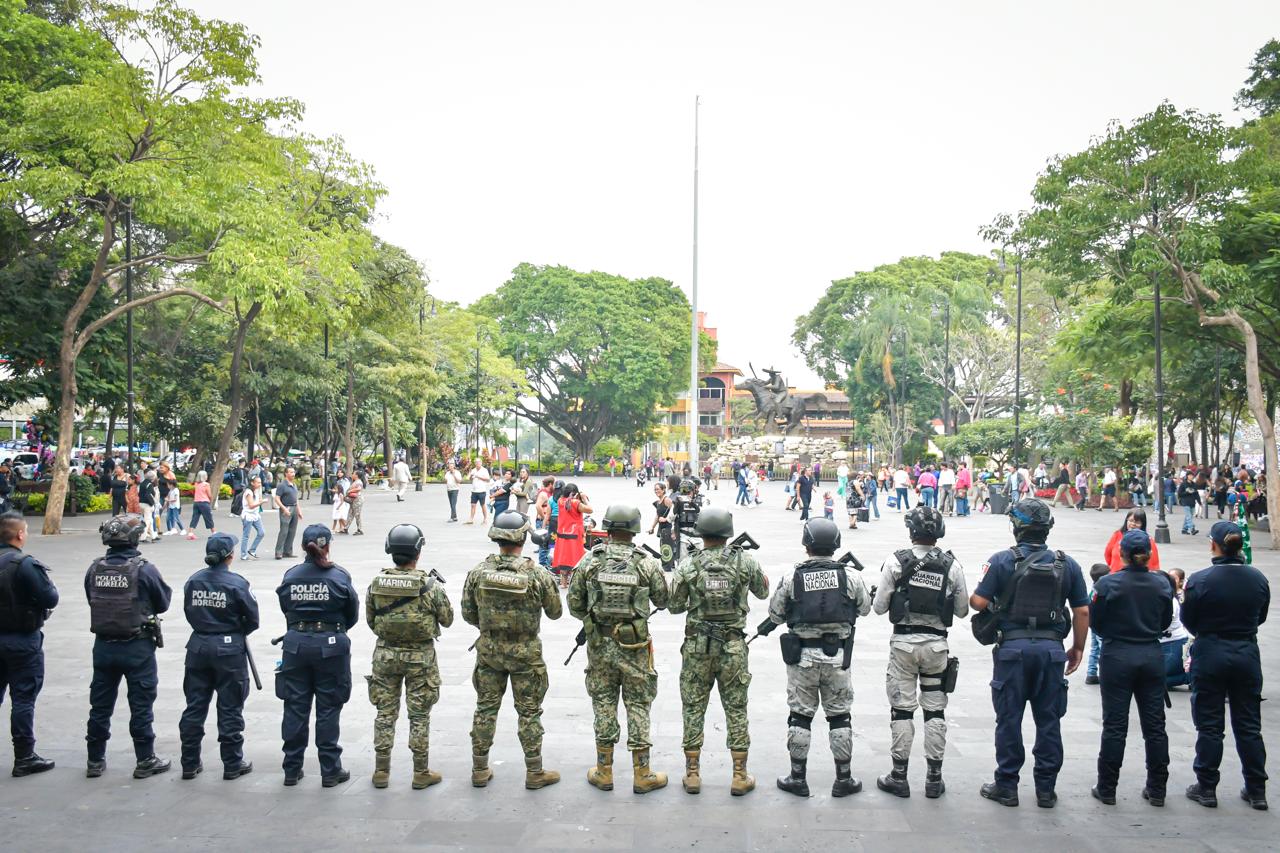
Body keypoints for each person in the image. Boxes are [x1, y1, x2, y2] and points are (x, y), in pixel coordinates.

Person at [970, 498, 1089, 808]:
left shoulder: (1000, 561)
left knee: (1009, 719)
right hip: (1051, 652)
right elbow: (1082, 611)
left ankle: (1007, 786)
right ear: (1047, 529)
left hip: (1012, 651)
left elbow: (977, 604)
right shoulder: (1068, 563)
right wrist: (1077, 648)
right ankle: (1046, 790)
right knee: (1049, 720)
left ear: (1016, 528)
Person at [763, 518, 870, 798]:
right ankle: (843, 778)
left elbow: (775, 613)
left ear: (806, 544)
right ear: (836, 544)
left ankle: (797, 778)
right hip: (838, 658)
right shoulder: (851, 576)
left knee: (800, 716)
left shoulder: (792, 576)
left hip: (803, 657)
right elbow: (866, 608)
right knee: (840, 716)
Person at [568, 504, 670, 794]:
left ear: (608, 528)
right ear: (634, 529)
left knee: (603, 702)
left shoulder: (590, 561)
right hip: (634, 645)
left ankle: (603, 770)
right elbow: (664, 600)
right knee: (638, 704)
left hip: (600, 646)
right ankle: (642, 773)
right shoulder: (645, 563)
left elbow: (574, 605)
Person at [669, 507, 769, 796]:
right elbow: (763, 592)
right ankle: (739, 775)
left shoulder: (689, 564)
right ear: (727, 533)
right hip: (733, 647)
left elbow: (674, 606)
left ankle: (692, 774)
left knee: (693, 707)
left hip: (697, 648)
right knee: (736, 708)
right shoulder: (745, 561)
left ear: (701, 533)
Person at [869, 505, 968, 799]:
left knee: (902, 710)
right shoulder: (952, 565)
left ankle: (899, 777)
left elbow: (878, 608)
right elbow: (962, 610)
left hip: (903, 646)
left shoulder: (896, 562)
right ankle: (934, 779)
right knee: (935, 710)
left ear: (911, 531)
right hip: (937, 646)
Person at [462, 511, 563, 790]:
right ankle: (534, 771)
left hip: (489, 651)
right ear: (523, 537)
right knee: (529, 711)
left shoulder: (479, 572)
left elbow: (468, 613)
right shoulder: (537, 573)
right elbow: (555, 612)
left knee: (485, 708)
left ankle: (480, 769)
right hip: (525, 653)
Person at [1181, 521, 1270, 810]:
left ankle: (1207, 786)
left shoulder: (1200, 580)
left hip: (1210, 650)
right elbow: (1261, 616)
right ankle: (1257, 789)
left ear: (1214, 545)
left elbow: (1188, 620)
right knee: (1248, 724)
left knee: (1209, 724)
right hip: (1245, 650)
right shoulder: (1257, 578)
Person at [1088, 529, 1174, 806]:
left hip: (1117, 654)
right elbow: (1165, 621)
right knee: (1155, 726)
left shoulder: (1107, 585)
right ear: (1148, 555)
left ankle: (1107, 787)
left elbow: (1096, 623)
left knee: (1114, 724)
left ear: (1121, 553)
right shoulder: (1162, 584)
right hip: (1150, 652)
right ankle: (1158, 788)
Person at [84, 514, 173, 779]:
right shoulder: (144, 569)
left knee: (99, 704)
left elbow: (92, 599)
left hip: (103, 646)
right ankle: (145, 759)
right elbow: (163, 602)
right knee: (141, 704)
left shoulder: (95, 568)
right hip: (137, 646)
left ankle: (94, 759)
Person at [366, 523, 453, 789]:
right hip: (421, 658)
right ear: (418, 552)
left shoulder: (377, 583)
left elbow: (371, 620)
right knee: (419, 716)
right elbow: (447, 619)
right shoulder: (429, 586)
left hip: (385, 655)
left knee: (384, 713)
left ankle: (381, 771)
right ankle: (420, 772)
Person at [275, 524, 360, 787]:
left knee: (295, 707)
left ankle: (291, 768)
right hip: (331, 645)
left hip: (296, 645)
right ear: (328, 545)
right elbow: (352, 614)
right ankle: (330, 770)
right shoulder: (338, 576)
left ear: (303, 547)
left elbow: (285, 608)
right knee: (328, 708)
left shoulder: (291, 575)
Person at [179, 532, 260, 781]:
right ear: (230, 556)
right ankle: (232, 763)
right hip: (228, 649)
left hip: (199, 646)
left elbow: (189, 611)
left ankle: (189, 763)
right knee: (230, 707)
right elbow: (253, 619)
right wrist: (233, 633)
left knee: (195, 705)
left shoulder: (193, 581)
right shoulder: (237, 583)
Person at [0, 512, 59, 776]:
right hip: (21, 639)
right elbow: (49, 597)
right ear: (20, 534)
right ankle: (24, 756)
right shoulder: (24, 564)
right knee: (23, 697)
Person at [552, 484, 591, 589]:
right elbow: (590, 510)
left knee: (564, 559)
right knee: (576, 559)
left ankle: (563, 583)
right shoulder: (576, 503)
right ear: (575, 493)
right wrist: (584, 498)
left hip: (562, 534)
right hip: (574, 535)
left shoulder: (560, 501)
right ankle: (575, 583)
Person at [1161, 569, 1190, 689]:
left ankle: (1192, 677)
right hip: (1160, 644)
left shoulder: (1171, 600)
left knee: (1153, 682)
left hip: (1172, 643)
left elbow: (1163, 624)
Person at [1084, 563, 1109, 685]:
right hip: (1101, 625)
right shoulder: (1102, 591)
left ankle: (1091, 673)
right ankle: (1105, 673)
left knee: (1094, 648)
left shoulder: (1094, 589)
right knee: (1103, 648)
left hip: (1092, 623)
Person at [274, 467, 301, 560]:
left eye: (294, 472)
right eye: (291, 472)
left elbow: (296, 498)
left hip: (294, 508)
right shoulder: (282, 485)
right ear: (286, 474)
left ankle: (288, 551)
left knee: (292, 531)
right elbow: (277, 498)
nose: (293, 474)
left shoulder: (294, 485)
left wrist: (299, 510)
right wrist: (284, 509)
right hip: (286, 507)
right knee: (284, 531)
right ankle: (278, 552)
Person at [649, 482, 677, 572]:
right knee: (664, 547)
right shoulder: (658, 502)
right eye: (655, 489)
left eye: (658, 489)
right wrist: (652, 527)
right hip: (662, 528)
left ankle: (667, 569)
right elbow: (657, 516)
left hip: (668, 527)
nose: (656, 491)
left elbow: (675, 510)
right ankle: (670, 565)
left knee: (666, 548)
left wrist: (666, 519)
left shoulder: (667, 500)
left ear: (663, 490)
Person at [239, 476, 265, 560]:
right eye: (258, 482)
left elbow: (259, 499)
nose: (259, 484)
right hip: (248, 516)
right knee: (246, 536)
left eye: (260, 482)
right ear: (252, 483)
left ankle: (252, 550)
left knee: (261, 533)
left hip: (255, 515)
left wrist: (260, 491)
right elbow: (251, 505)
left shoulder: (256, 490)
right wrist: (262, 502)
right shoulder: (248, 492)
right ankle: (243, 554)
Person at [189, 470, 215, 538]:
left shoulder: (196, 484)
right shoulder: (206, 484)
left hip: (196, 502)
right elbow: (209, 495)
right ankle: (214, 532)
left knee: (195, 518)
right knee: (208, 518)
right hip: (204, 503)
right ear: (204, 476)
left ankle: (190, 533)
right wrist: (211, 500)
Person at [467, 460, 491, 525]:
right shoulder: (473, 470)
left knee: (482, 505)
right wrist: (471, 477)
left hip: (482, 491)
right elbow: (469, 479)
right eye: (476, 462)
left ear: (481, 463)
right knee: (473, 505)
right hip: (474, 491)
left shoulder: (484, 470)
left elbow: (488, 479)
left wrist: (478, 476)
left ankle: (485, 519)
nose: (477, 463)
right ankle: (471, 519)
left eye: (478, 462)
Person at [137, 470, 159, 542]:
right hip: (147, 504)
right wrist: (152, 503)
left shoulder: (143, 483)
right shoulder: (149, 485)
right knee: (147, 521)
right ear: (153, 478)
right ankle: (143, 537)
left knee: (150, 520)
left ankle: (153, 536)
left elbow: (139, 493)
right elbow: (148, 495)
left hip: (141, 503)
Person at [344, 470, 365, 535]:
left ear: (356, 475)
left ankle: (360, 529)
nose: (352, 474)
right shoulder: (355, 481)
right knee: (350, 513)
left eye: (353, 473)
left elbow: (358, 489)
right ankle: (346, 528)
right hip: (354, 500)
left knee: (357, 514)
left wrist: (350, 491)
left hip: (357, 500)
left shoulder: (358, 482)